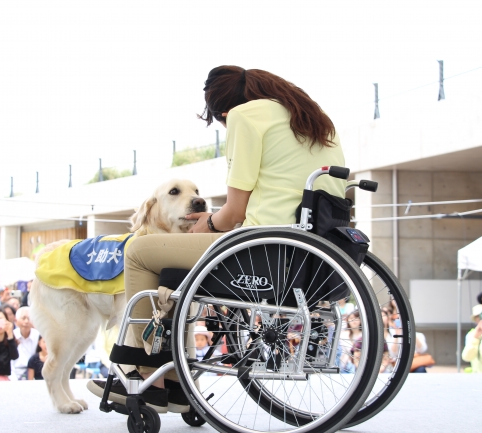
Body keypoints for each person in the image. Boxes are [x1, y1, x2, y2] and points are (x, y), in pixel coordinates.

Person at [87, 66, 346, 412]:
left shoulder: (243, 116)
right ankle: (176, 382)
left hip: (261, 249)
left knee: (138, 251)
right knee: (168, 265)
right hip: (312, 252)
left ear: (223, 111)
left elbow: (234, 212)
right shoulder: (310, 117)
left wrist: (207, 223)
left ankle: (148, 373)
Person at [11, 306, 40, 380]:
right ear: (16, 321)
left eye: (29, 318)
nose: (26, 321)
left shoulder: (38, 336)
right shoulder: (11, 336)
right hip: (14, 372)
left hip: (33, 371)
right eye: (23, 318)